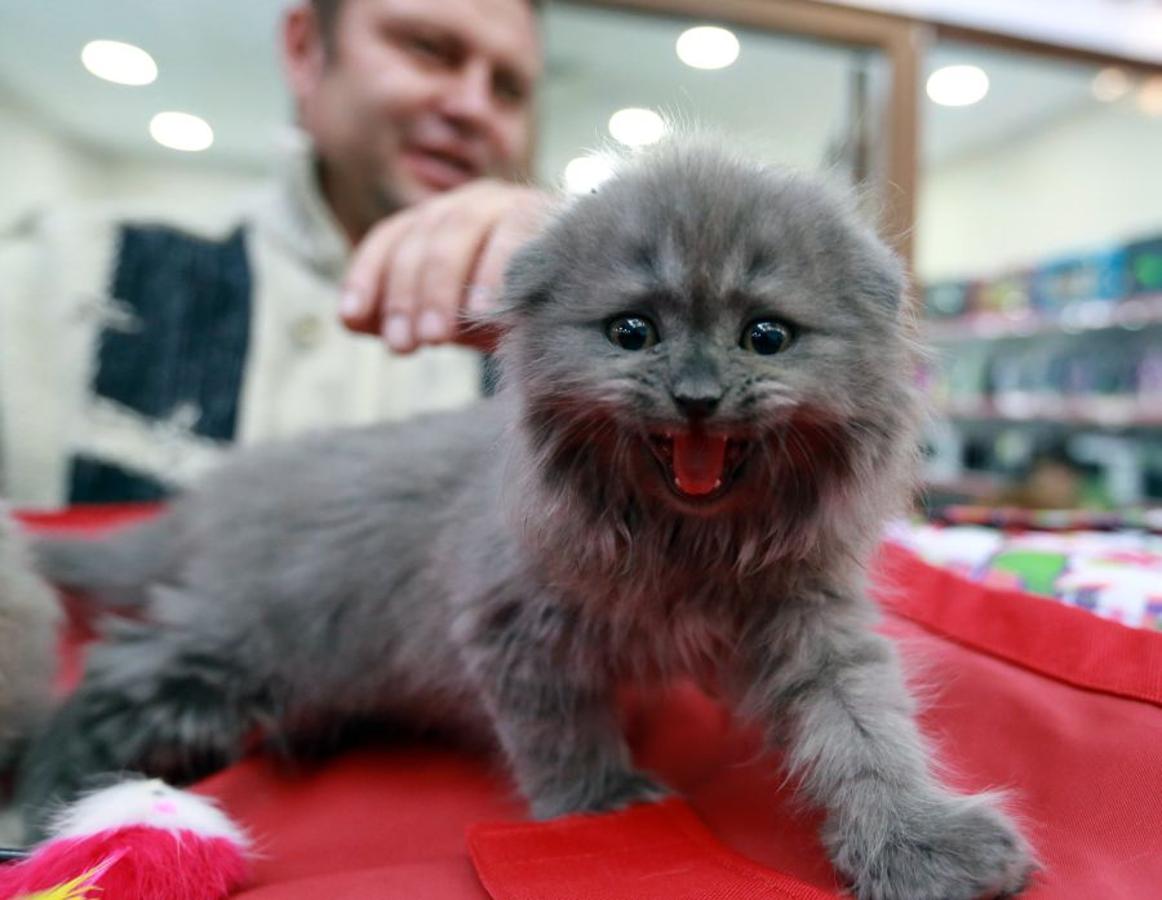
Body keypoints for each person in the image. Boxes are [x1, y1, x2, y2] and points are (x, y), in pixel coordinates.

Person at [0, 0, 551, 509]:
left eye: (508, 88)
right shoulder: (61, 277)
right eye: (428, 48)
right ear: (305, 48)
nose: (473, 106)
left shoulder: (535, 341)